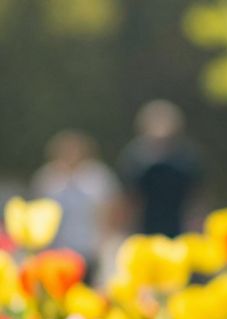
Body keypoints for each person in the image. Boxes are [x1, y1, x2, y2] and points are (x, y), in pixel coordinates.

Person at [31, 131, 120, 282]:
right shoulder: (47, 178)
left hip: (87, 249)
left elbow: (110, 209)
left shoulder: (98, 177)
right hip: (57, 251)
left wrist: (104, 241)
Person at [118, 100, 201, 237]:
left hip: (179, 226)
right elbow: (128, 198)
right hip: (144, 227)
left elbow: (196, 196)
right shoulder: (135, 157)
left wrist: (195, 224)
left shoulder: (186, 157)